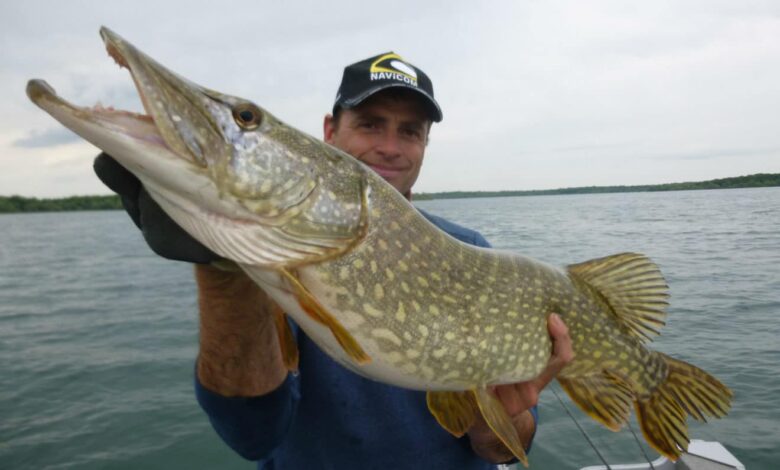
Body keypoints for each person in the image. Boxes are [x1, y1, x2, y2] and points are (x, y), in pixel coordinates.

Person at [94, 52, 573, 469]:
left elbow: (503, 450)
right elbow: (251, 434)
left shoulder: (472, 251)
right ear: (328, 132)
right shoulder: (272, 262)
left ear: (424, 146)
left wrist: (498, 420)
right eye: (369, 124)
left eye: (410, 131)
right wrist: (223, 274)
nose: (389, 146)